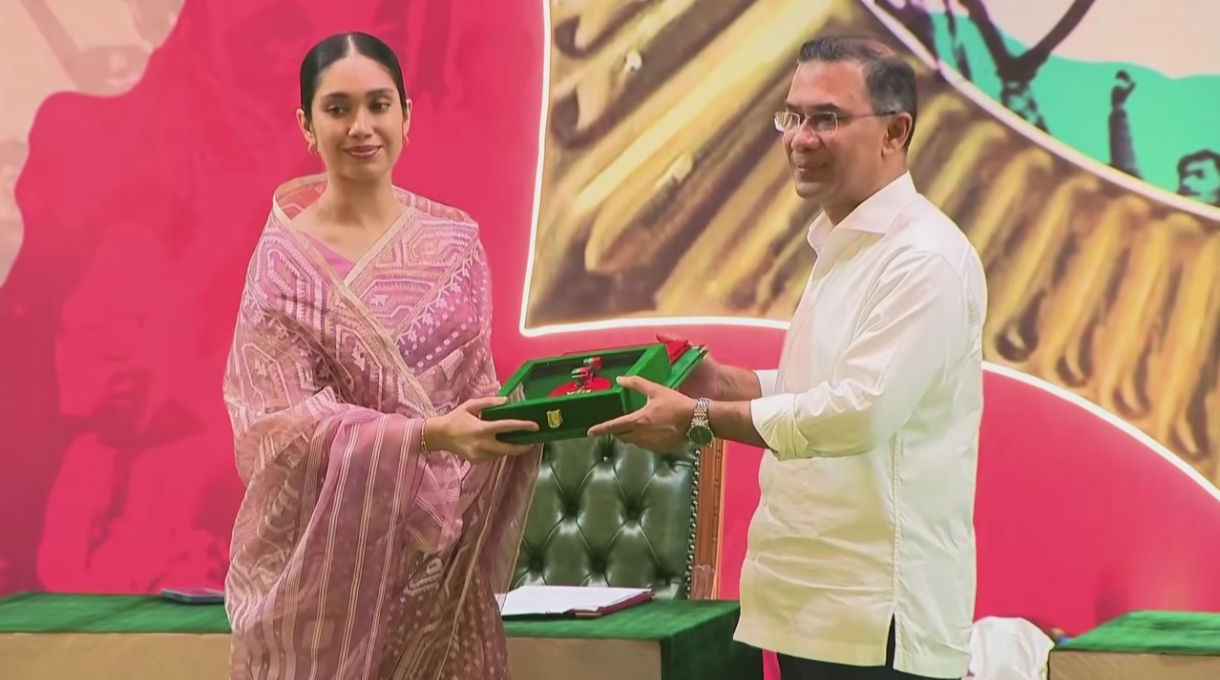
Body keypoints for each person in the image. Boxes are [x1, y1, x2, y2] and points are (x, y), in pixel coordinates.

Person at [589, 36, 987, 680]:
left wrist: (700, 418)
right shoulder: (845, 244)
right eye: (793, 116)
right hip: (807, 604)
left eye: (826, 118)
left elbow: (859, 411)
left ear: (895, 132)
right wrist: (726, 384)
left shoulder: (924, 258)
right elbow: (827, 383)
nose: (801, 138)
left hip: (875, 620)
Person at [223, 32, 541, 680]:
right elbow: (278, 426)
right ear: (306, 125)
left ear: (407, 115)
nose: (361, 126)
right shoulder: (285, 264)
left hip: (441, 564)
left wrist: (512, 421)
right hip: (328, 577)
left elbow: (475, 388)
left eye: (378, 104)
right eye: (337, 109)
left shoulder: (455, 245)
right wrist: (426, 436)